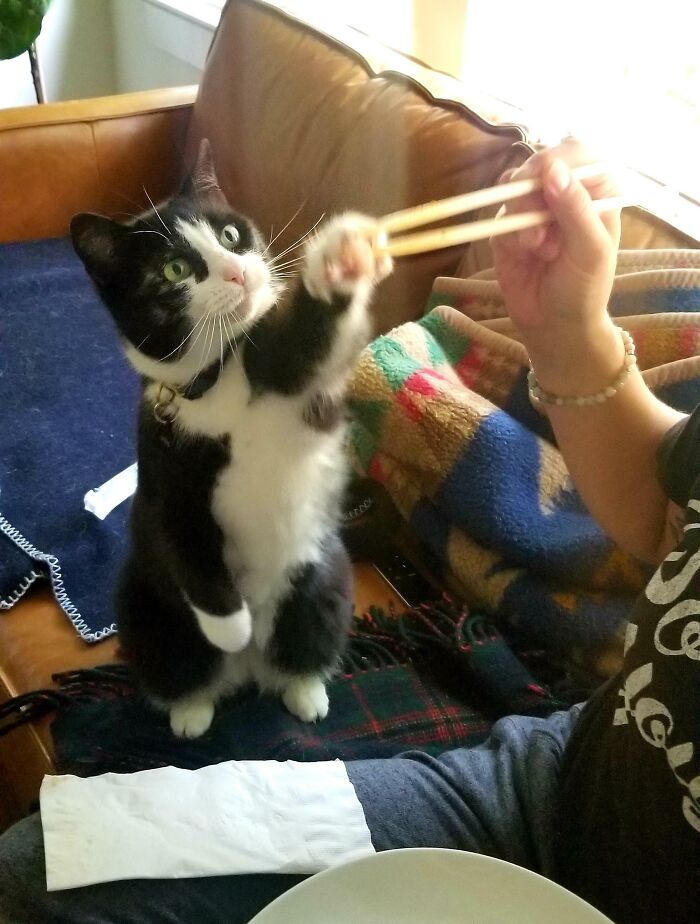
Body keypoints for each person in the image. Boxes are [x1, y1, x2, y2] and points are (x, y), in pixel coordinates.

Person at [1, 141, 698, 924]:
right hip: (561, 779)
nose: (232, 269)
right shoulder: (173, 395)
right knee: (40, 869)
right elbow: (658, 508)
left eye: (229, 241)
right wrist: (572, 331)